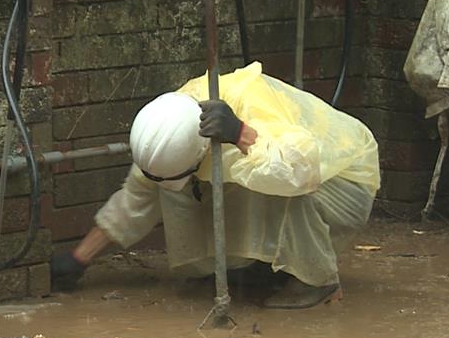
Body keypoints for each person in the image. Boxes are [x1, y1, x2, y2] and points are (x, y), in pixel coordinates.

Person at [50, 62, 380, 308]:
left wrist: (241, 134)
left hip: (342, 183)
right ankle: (246, 268)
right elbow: (139, 195)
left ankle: (317, 281)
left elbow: (300, 171)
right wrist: (79, 258)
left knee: (270, 178)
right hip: (294, 172)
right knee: (186, 190)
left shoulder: (249, 104)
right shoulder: (174, 124)